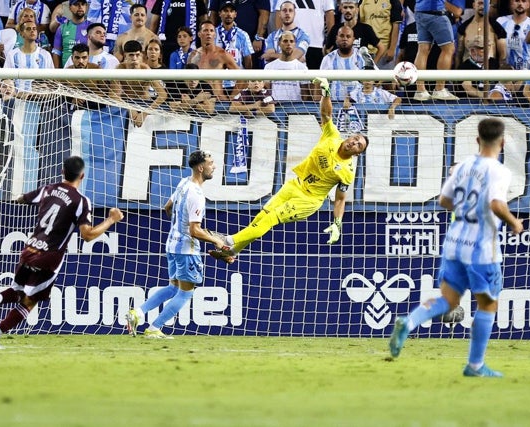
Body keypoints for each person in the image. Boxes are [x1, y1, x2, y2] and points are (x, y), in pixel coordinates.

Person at [388, 117, 523, 377]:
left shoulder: (462, 167)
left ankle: (410, 321)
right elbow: (496, 204)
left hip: (454, 241)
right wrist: (514, 222)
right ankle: (475, 366)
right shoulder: (499, 170)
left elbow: (443, 200)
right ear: (503, 142)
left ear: (477, 139)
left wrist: (464, 210)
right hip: (482, 247)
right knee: (487, 304)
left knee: (448, 300)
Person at [0, 156, 124, 349]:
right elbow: (87, 235)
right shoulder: (80, 201)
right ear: (83, 175)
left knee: (18, 290)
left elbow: (22, 199)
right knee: (29, 302)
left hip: (29, 249)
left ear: (62, 172)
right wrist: (111, 220)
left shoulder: (47, 189)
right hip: (49, 258)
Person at [216, 78, 368, 260]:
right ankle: (232, 252)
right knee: (261, 217)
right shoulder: (332, 136)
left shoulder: (347, 171)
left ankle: (229, 240)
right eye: (356, 138)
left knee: (272, 218)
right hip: (295, 185)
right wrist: (326, 93)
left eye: (359, 145)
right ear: (351, 135)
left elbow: (340, 199)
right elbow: (327, 114)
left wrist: (337, 223)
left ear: (357, 153)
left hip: (309, 200)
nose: (354, 142)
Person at [125, 150, 223, 339]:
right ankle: (154, 328)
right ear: (201, 168)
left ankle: (137, 313)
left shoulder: (183, 183)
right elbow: (195, 230)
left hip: (172, 246)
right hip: (187, 250)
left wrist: (178, 228)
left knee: (173, 288)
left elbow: (167, 207)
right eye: (211, 163)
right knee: (186, 294)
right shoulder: (197, 195)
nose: (214, 166)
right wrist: (217, 240)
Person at [111, 40, 167, 127]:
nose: (134, 58)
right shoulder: (119, 69)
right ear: (125, 55)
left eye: (137, 55)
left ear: (141, 54)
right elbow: (113, 95)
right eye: (131, 55)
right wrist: (130, 109)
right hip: (126, 104)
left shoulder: (145, 69)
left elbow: (163, 95)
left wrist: (144, 114)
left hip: (145, 104)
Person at [411, 0, 460, 101]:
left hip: (420, 12)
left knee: (423, 49)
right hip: (435, 12)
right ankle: (439, 89)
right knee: (449, 49)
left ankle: (420, 90)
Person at [264, 31, 312, 101]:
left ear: (295, 44)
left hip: (296, 108)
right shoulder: (269, 67)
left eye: (291, 41)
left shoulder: (302, 68)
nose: (289, 44)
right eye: (285, 41)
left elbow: (306, 95)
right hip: (276, 107)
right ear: (279, 44)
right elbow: (266, 92)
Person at [51, 0, 88, 68]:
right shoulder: (62, 28)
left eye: (83, 4)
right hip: (66, 73)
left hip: (86, 72)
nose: (80, 7)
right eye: (76, 4)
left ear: (86, 7)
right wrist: (56, 75)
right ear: (70, 7)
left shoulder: (92, 28)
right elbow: (56, 52)